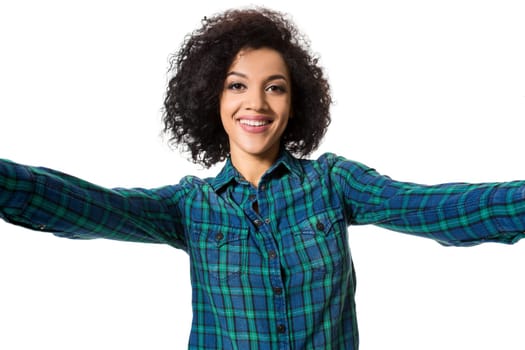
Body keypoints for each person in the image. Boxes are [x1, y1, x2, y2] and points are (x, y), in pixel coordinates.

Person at [0, 6, 524, 350]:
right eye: (236, 86)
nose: (255, 102)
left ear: (295, 103)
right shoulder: (192, 206)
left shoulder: (332, 184)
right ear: (212, 99)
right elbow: (82, 205)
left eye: (274, 87)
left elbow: (432, 208)